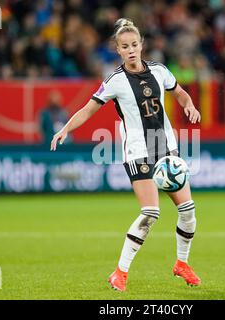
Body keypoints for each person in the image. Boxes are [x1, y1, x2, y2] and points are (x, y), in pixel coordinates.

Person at [50, 18, 202, 292]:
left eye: (134, 44)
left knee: (188, 211)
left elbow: (180, 94)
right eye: (124, 46)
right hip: (138, 150)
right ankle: (120, 272)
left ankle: (182, 263)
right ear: (118, 50)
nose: (130, 49)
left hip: (166, 147)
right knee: (151, 212)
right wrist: (65, 129)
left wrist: (190, 105)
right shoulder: (115, 81)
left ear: (142, 45)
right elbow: (88, 109)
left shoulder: (160, 70)